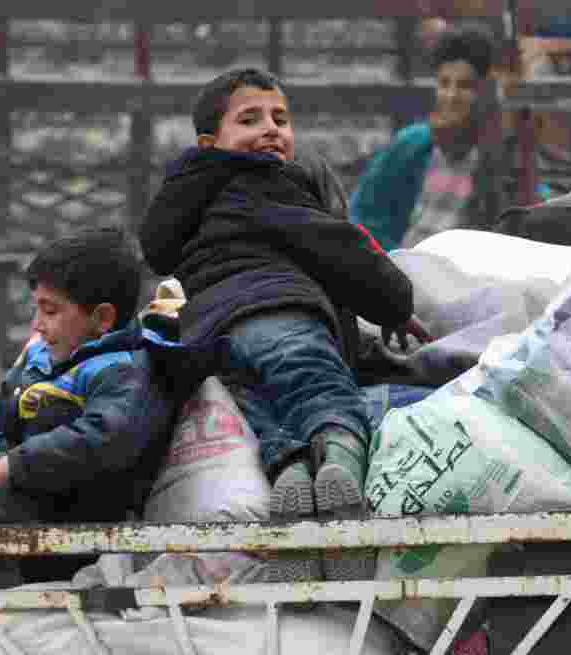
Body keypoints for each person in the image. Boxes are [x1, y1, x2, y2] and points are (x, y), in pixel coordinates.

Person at [139, 68, 427, 583]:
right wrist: (395, 302)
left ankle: (291, 477)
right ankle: (340, 477)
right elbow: (342, 248)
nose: (271, 128)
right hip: (278, 312)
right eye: (250, 119)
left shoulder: (192, 208)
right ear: (212, 143)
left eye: (281, 118)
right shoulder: (264, 183)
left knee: (268, 419)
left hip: (211, 342)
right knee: (322, 395)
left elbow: (156, 250)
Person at [0, 227, 219, 590]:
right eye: (37, 309)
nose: (37, 324)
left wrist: (17, 464)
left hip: (73, 525)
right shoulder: (48, 356)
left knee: (37, 425)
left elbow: (108, 438)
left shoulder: (122, 371)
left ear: (102, 319)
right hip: (21, 505)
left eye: (50, 310)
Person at [350, 27, 535, 251]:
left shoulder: (499, 156)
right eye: (444, 84)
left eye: (465, 86)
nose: (451, 96)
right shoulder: (412, 145)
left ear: (484, 92)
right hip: (402, 269)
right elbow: (364, 215)